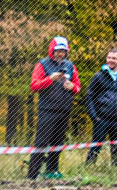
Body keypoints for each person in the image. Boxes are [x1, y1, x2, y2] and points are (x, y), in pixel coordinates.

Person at [27, 35, 81, 180]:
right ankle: (32, 175)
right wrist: (50, 79)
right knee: (41, 143)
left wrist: (72, 87)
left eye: (63, 51)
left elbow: (78, 87)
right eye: (58, 51)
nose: (60, 54)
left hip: (64, 110)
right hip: (47, 110)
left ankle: (52, 171)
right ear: (52, 50)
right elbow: (34, 86)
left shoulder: (70, 66)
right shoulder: (42, 64)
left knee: (57, 143)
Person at [85, 48, 117, 166]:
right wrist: (94, 116)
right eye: (109, 58)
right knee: (95, 147)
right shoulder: (98, 76)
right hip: (101, 119)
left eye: (114, 58)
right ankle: (88, 168)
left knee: (116, 149)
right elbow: (89, 96)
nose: (111, 60)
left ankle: (116, 171)